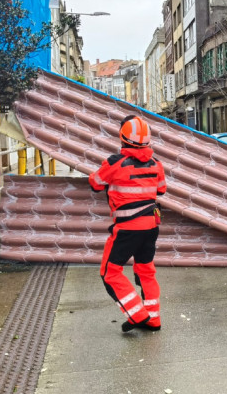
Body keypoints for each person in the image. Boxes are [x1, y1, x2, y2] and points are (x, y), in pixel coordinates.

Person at [89, 115, 166, 332]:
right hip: (151, 225)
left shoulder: (115, 163)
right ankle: (153, 318)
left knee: (110, 272)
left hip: (127, 229)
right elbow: (161, 190)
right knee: (146, 271)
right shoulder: (156, 164)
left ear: (122, 138)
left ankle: (137, 314)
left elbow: (95, 183)